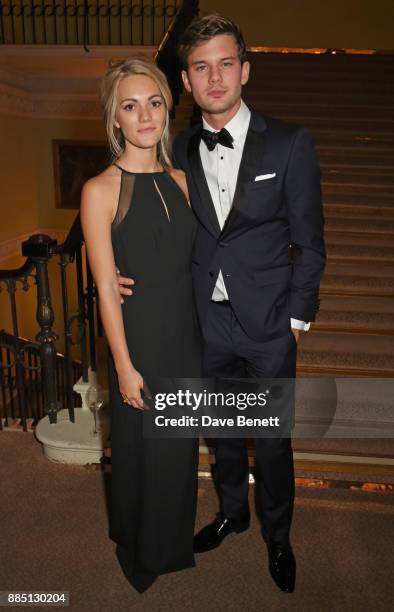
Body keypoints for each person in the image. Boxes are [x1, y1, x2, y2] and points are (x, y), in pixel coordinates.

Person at [118, 14, 326, 594]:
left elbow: (310, 241)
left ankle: (278, 535)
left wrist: (297, 318)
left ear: (245, 70)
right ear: (185, 80)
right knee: (222, 431)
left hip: (268, 325)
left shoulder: (289, 142)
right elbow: (138, 214)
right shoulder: (176, 149)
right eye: (201, 66)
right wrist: (110, 269)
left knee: (271, 438)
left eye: (225, 64)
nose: (215, 77)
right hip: (204, 324)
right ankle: (233, 512)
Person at [80, 57, 202, 593]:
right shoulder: (100, 189)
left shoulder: (183, 179)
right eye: (130, 106)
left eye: (153, 102)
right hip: (141, 337)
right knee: (142, 447)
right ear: (115, 121)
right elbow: (108, 286)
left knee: (178, 447)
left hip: (187, 334)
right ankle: (139, 544)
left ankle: (171, 540)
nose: (144, 115)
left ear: (167, 109)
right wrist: (124, 368)